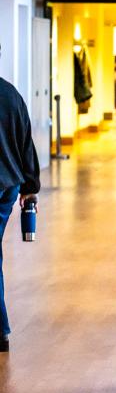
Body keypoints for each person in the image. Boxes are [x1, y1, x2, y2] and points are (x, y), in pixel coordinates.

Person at [0, 43, 40, 352]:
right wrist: (30, 187)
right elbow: (26, 142)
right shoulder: (11, 94)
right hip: (9, 185)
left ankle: (0, 329)